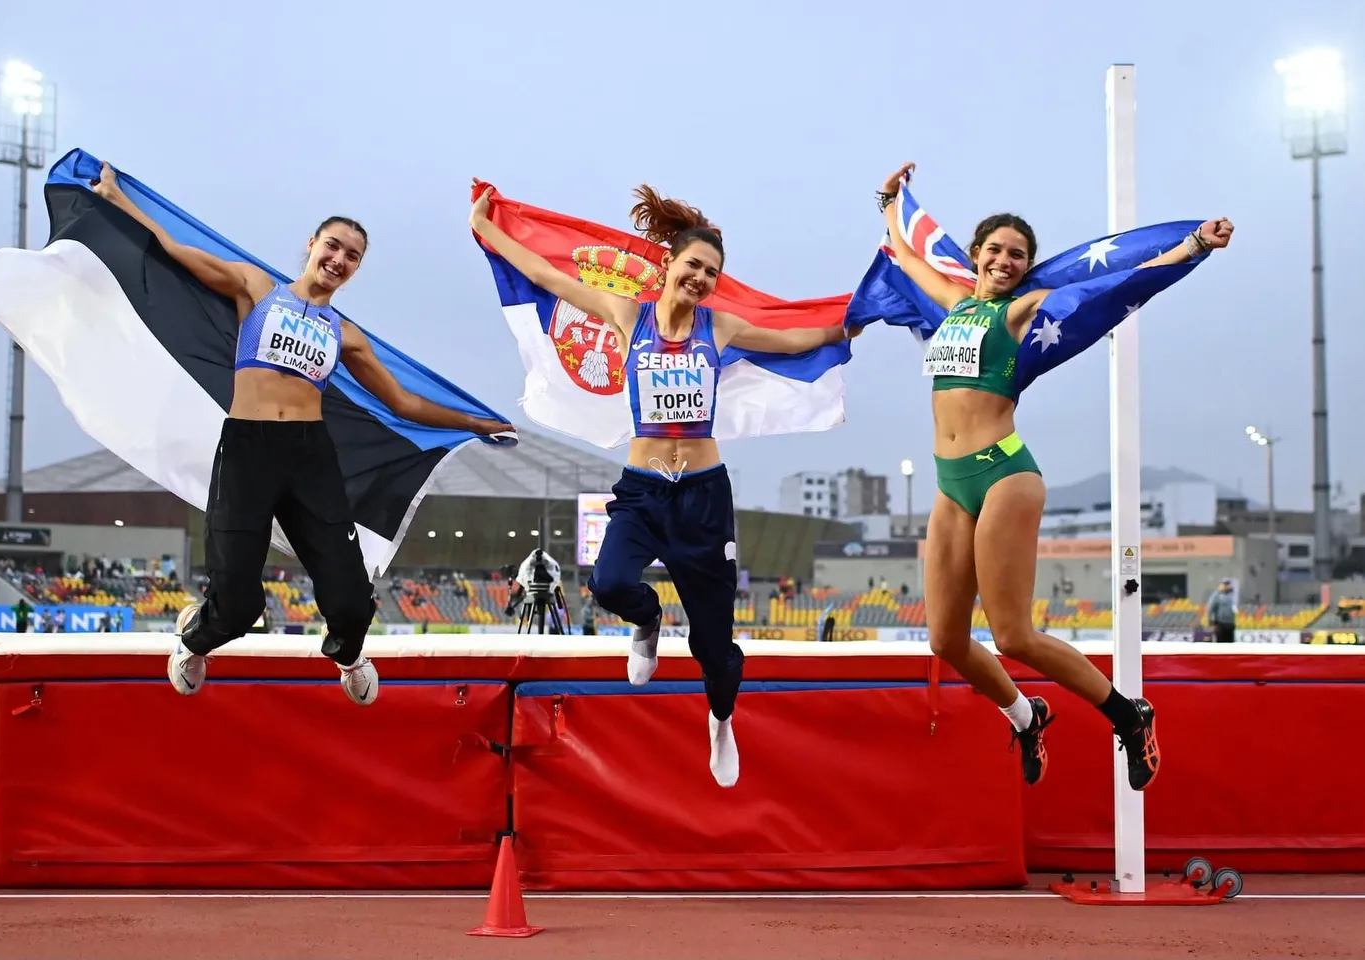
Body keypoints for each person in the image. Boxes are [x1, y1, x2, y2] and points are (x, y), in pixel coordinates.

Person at [470, 182, 858, 787]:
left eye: (711, 272)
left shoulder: (720, 328)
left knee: (713, 644)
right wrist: (489, 231)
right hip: (644, 491)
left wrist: (847, 325)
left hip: (703, 497)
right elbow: (549, 277)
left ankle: (721, 718)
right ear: (668, 265)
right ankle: (647, 622)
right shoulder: (629, 316)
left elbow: (793, 338)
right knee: (610, 582)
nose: (700, 278)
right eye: (693, 265)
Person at [89, 162, 513, 705]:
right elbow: (173, 248)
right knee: (239, 606)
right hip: (247, 449)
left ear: (357, 268)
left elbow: (402, 402)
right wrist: (117, 200)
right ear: (312, 245)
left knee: (352, 596)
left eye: (352, 256)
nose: (339, 260)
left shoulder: (346, 335)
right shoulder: (255, 289)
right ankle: (195, 638)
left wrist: (476, 424)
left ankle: (349, 656)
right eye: (333, 246)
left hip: (309, 456)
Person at [876, 161, 1233, 791]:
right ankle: (1025, 715)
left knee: (1013, 635)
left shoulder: (1022, 313)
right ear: (976, 255)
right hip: (949, 483)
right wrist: (888, 201)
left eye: (1018, 254)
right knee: (946, 641)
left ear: (1026, 266)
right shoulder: (955, 303)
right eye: (994, 250)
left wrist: (1191, 246)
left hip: (1004, 475)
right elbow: (908, 262)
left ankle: (1128, 714)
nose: (1005, 261)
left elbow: (1118, 285)